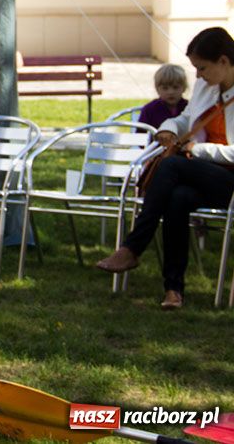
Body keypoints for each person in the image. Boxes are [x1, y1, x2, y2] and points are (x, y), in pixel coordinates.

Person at [96, 27, 234, 310]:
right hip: (203, 173)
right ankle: (173, 289)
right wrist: (168, 129)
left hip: (228, 179)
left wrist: (197, 150)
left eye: (202, 68)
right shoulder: (208, 86)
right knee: (177, 198)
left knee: (171, 165)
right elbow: (186, 118)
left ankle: (133, 247)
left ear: (223, 61)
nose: (198, 76)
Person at [137, 63, 188, 128]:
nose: (170, 92)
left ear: (184, 88)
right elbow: (140, 133)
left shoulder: (189, 108)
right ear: (157, 89)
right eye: (165, 88)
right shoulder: (149, 110)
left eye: (175, 87)